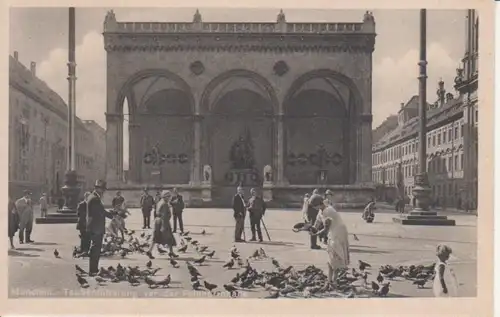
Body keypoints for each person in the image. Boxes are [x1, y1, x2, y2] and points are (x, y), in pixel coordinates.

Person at [309, 194, 350, 288]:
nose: (314, 208)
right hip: (332, 233)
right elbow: (317, 223)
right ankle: (330, 280)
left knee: (335, 258)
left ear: (319, 204)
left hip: (338, 233)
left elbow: (325, 229)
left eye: (315, 206)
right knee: (330, 259)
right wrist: (309, 228)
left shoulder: (328, 211)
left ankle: (333, 281)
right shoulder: (321, 211)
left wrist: (315, 234)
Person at [86, 180, 115, 276]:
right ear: (98, 188)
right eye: (102, 189)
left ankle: (94, 268)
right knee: (96, 249)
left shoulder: (93, 197)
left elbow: (100, 211)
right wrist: (112, 215)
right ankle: (93, 270)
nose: (103, 192)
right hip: (96, 227)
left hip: (95, 227)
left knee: (96, 248)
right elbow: (100, 212)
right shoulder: (95, 199)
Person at [146, 190, 177, 259]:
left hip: (158, 221)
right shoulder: (164, 204)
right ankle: (171, 252)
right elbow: (164, 215)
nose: (170, 198)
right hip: (163, 222)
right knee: (169, 237)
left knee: (156, 237)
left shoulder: (160, 202)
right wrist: (164, 226)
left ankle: (150, 251)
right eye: (169, 196)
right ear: (165, 197)